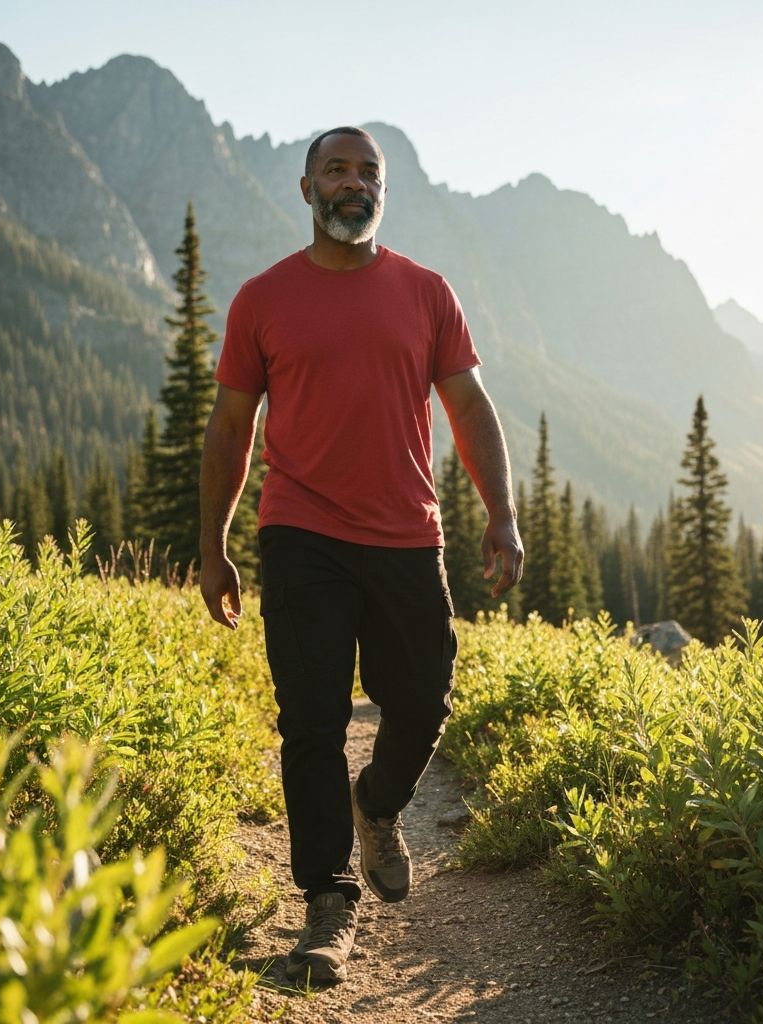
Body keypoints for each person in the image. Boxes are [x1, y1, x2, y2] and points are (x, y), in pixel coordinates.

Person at [198, 125, 523, 985]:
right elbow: (231, 427)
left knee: (421, 702)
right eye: (336, 170)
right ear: (306, 189)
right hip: (300, 533)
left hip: (407, 535)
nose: (353, 183)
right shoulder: (263, 300)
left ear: (385, 191)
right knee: (312, 721)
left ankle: (378, 803)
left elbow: (471, 407)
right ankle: (328, 904)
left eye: (368, 172)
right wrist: (214, 544)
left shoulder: (425, 292)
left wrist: (503, 515)